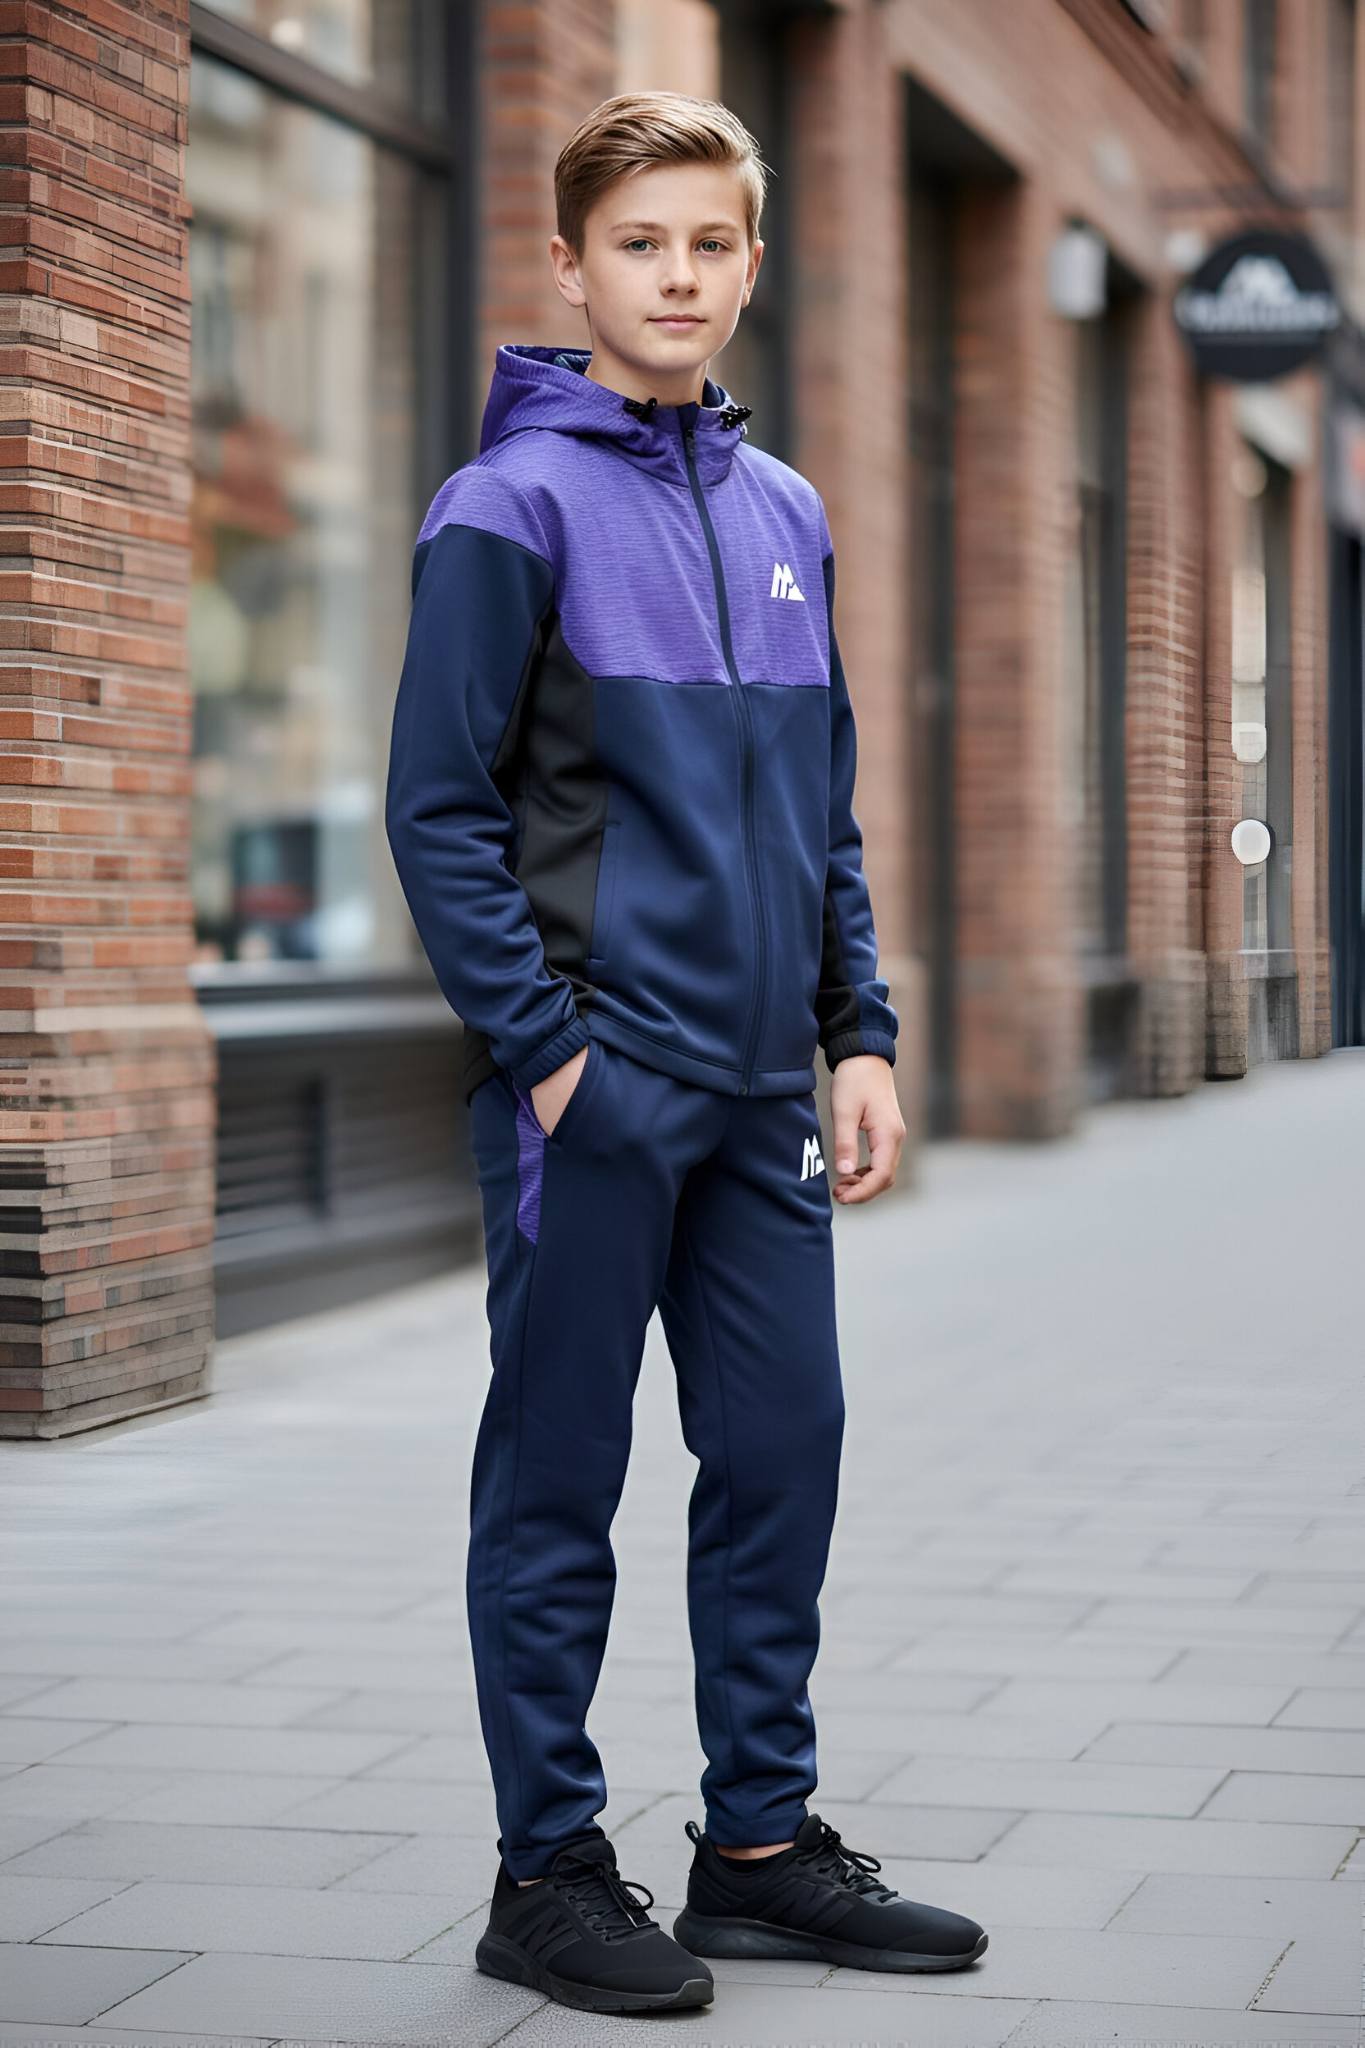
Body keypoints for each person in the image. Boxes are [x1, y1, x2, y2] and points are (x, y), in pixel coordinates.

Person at [385, 88, 987, 2020]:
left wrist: (856, 1035)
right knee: (556, 1481)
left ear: (749, 266)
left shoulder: (785, 509)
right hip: (594, 1093)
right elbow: (437, 813)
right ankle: (546, 1872)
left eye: (707, 243)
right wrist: (550, 1054)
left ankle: (757, 1851)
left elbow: (820, 810)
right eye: (636, 243)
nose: (674, 274)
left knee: (783, 1454)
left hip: (757, 1101)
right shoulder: (509, 507)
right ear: (571, 269)